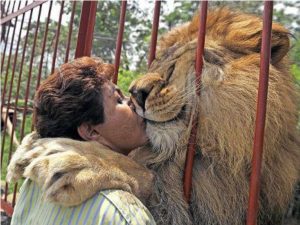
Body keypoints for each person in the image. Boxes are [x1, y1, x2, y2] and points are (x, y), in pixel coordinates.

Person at [8, 57, 156, 225]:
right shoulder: (123, 213)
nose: (133, 103)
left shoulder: (35, 185)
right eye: (119, 100)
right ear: (91, 131)